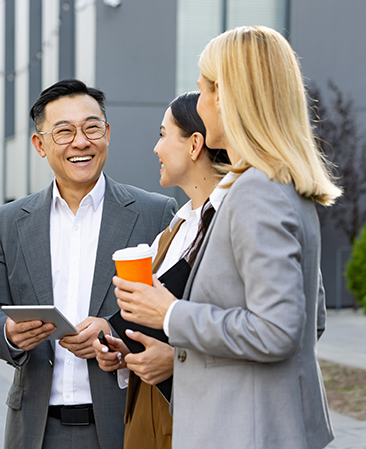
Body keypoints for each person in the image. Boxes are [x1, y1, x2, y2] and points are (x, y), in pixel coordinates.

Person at [112, 26, 340, 448]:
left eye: (201, 89)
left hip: (245, 432)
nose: (198, 102)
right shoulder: (275, 184)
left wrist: (170, 314)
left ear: (225, 95)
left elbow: (277, 330)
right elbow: (313, 319)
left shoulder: (257, 192)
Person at [0, 79, 177, 449]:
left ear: (107, 133)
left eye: (91, 128)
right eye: (64, 132)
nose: (81, 142)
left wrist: (115, 331)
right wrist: (9, 332)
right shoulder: (7, 222)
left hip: (126, 422)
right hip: (37, 430)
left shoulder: (155, 213)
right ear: (40, 145)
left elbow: (174, 312)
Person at [92, 91, 228, 449]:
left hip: (199, 419)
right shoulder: (176, 228)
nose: (156, 148)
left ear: (195, 144)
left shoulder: (236, 218)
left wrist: (179, 363)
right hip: (146, 414)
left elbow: (263, 328)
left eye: (164, 134)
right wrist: (126, 348)